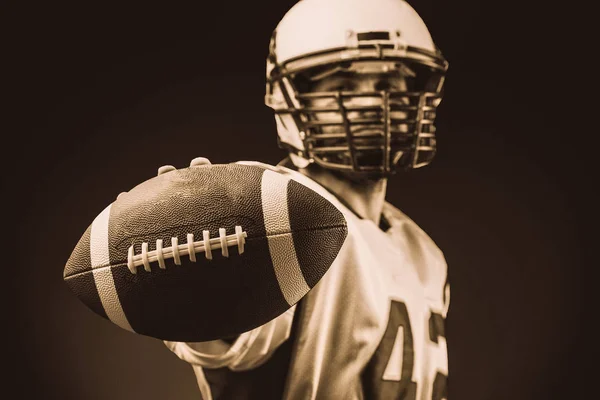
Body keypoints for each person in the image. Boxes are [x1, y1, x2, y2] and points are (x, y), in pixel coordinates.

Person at [164, 0, 450, 398]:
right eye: (343, 86)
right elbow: (228, 342)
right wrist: (195, 252)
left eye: (388, 84)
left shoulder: (423, 253)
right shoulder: (274, 214)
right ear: (290, 100)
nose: (371, 104)